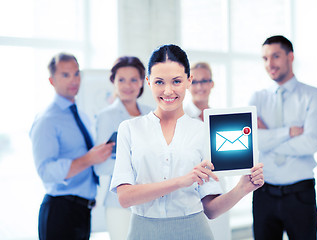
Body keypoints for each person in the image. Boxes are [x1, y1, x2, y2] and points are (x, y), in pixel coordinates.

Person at [109, 44, 264, 240]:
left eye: (176, 81)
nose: (168, 90)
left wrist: (241, 189)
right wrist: (181, 181)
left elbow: (211, 210)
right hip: (142, 231)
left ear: (188, 81)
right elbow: (124, 198)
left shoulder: (203, 132)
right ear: (148, 82)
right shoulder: (129, 129)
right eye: (159, 82)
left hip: (193, 231)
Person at [30, 53, 114, 240]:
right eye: (65, 75)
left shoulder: (82, 116)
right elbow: (45, 171)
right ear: (52, 80)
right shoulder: (47, 120)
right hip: (60, 211)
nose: (74, 80)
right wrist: (88, 159)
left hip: (83, 210)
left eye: (76, 74)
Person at [249, 35, 317, 240]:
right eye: (265, 58)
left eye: (275, 56)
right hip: (264, 195)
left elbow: (311, 143)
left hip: (300, 195)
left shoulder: (314, 96)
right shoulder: (257, 98)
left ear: (290, 57)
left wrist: (268, 138)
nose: (270, 64)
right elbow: (252, 142)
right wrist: (287, 133)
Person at [94, 56, 153, 239]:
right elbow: (100, 166)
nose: (127, 85)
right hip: (120, 206)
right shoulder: (106, 117)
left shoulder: (151, 114)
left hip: (151, 202)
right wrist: (139, 166)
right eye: (121, 80)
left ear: (142, 82)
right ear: (113, 82)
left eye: (133, 79)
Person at [184, 62, 231, 240]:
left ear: (212, 84)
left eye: (205, 81)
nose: (200, 86)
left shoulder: (222, 117)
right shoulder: (182, 116)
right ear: (188, 84)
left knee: (218, 232)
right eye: (195, 82)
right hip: (192, 187)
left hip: (218, 183)